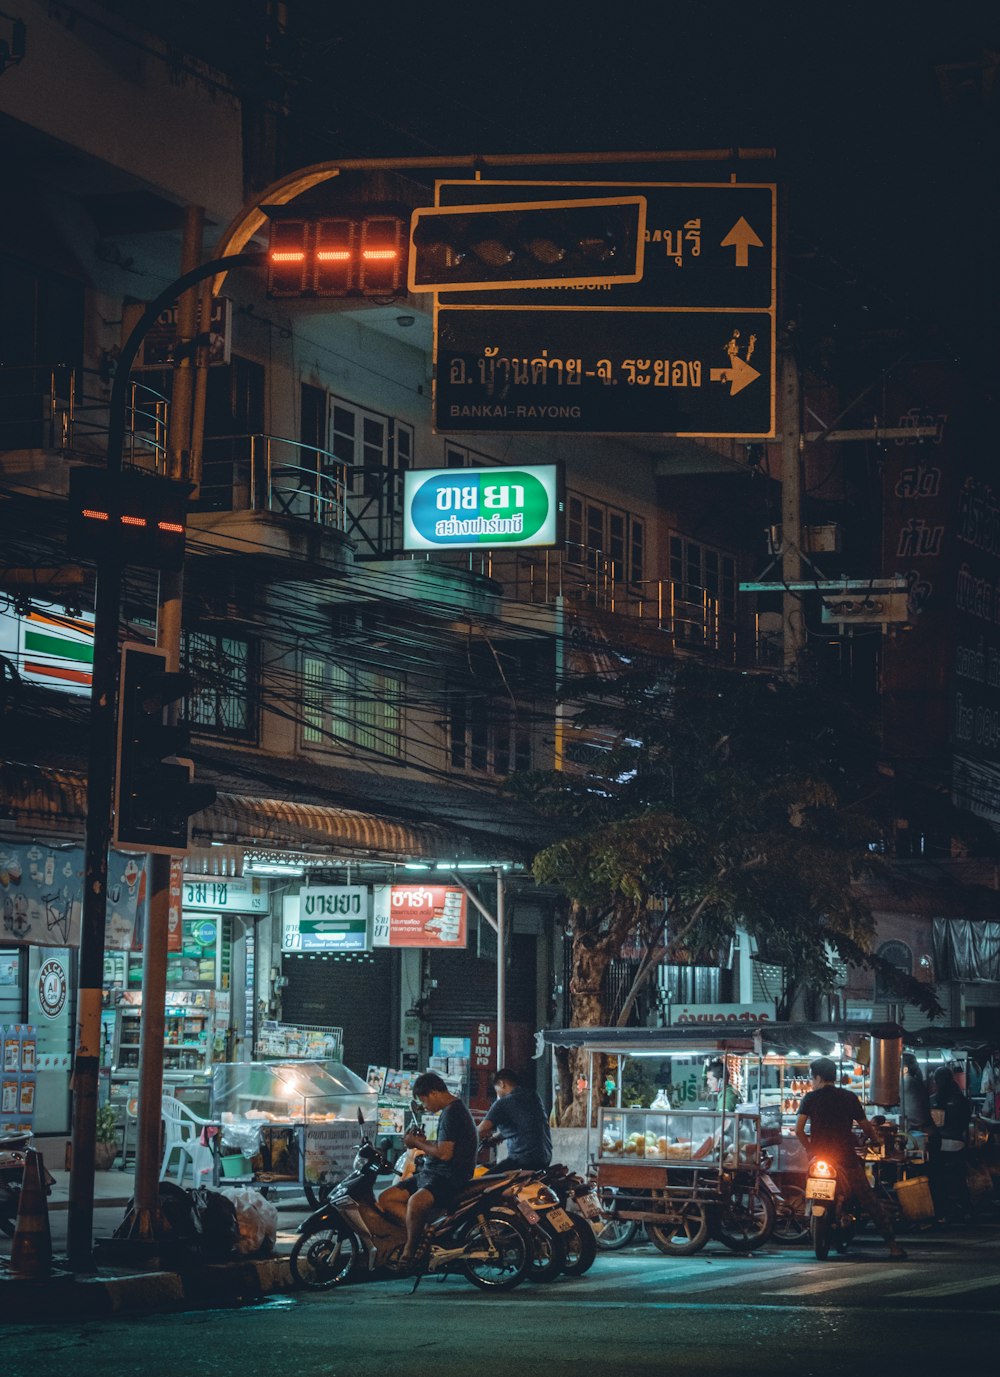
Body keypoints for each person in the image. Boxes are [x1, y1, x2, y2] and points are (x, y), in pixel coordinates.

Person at [795, 1055, 907, 1259]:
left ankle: (810, 1214)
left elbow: (799, 1130)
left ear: (819, 1078)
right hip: (846, 1158)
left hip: (818, 1157)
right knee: (869, 1200)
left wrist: (810, 1149)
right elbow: (866, 1127)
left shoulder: (810, 1099)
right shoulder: (848, 1098)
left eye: (812, 1078)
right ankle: (893, 1246)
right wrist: (875, 1141)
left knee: (808, 1189)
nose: (812, 1082)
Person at [377, 1071, 477, 1267]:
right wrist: (422, 1142)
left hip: (449, 1176)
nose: (425, 1106)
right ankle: (422, 1229)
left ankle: (410, 1252)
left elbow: (445, 1154)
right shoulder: (451, 1111)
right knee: (386, 1198)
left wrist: (416, 1143)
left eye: (424, 1100)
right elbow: (444, 1146)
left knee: (415, 1202)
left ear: (433, 1093)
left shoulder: (453, 1113)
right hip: (432, 1173)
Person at [478, 1067, 552, 1170]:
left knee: (483, 1183)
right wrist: (498, 1137)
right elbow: (525, 1125)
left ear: (501, 1083)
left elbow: (482, 1129)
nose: (497, 1093)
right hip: (544, 1158)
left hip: (522, 1161)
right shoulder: (533, 1096)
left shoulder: (502, 1103)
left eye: (496, 1089)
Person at [928, 1065, 973, 1224]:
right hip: (957, 1143)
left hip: (939, 1145)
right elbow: (965, 1123)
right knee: (959, 1177)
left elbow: (929, 1124)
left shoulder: (933, 1099)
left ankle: (942, 1211)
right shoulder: (961, 1099)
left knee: (938, 1178)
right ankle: (966, 1209)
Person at [900, 1053, 932, 1132]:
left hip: (921, 1132)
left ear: (905, 1069)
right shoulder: (915, 1081)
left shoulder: (906, 1081)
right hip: (927, 1129)